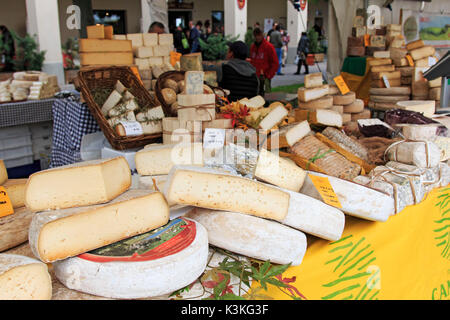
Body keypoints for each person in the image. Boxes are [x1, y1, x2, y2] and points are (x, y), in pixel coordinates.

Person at [249, 28, 279, 96]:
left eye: (259, 35)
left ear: (262, 35)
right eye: (256, 35)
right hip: (254, 77)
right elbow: (251, 61)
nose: (257, 37)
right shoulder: (252, 47)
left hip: (265, 77)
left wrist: (268, 76)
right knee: (254, 96)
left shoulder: (269, 47)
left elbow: (275, 63)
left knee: (266, 97)